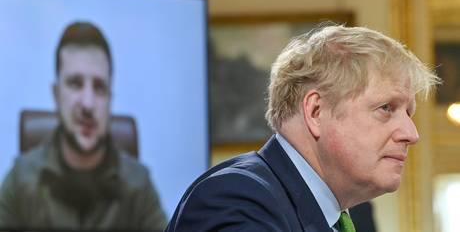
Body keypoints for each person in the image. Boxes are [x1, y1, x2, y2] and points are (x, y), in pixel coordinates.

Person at [166, 24, 440, 232]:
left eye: (409, 113)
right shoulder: (237, 202)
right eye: (386, 108)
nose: (411, 134)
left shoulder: (332, 215)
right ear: (315, 111)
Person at [0, 22, 167, 231]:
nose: (88, 104)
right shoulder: (19, 182)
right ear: (56, 94)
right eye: (75, 84)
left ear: (110, 100)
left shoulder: (139, 187)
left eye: (99, 87)